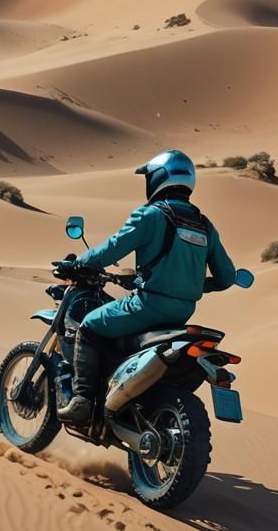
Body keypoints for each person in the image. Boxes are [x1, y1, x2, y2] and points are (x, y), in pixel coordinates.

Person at [55, 150, 237, 424]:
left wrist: (79, 263)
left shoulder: (151, 215)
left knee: (89, 327)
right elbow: (226, 277)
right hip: (181, 315)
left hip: (147, 307)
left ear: (159, 179)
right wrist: (194, 283)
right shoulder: (204, 225)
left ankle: (81, 400)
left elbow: (113, 248)